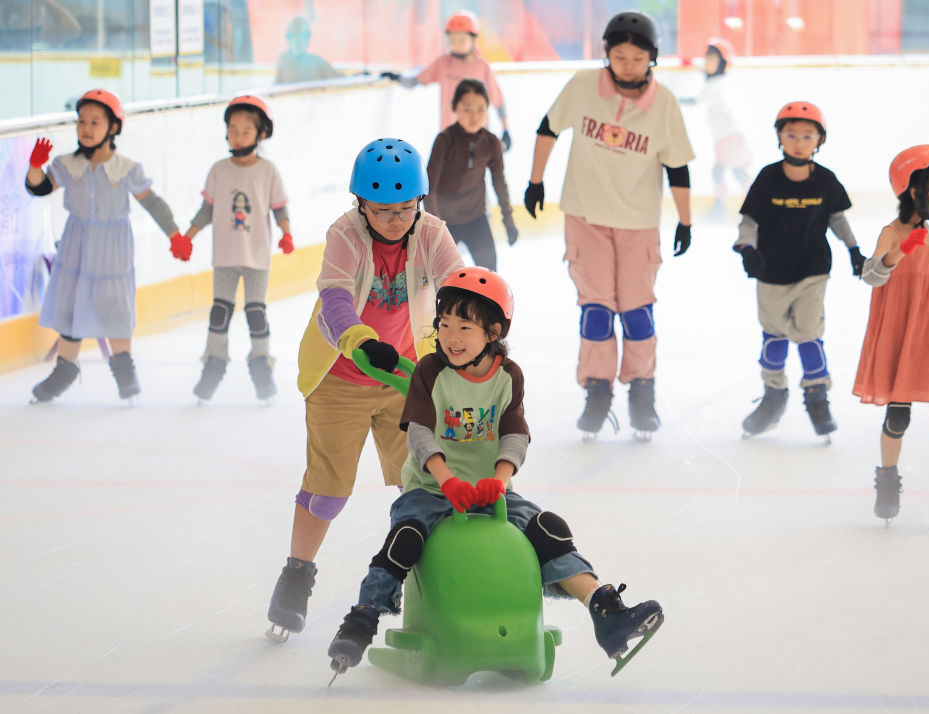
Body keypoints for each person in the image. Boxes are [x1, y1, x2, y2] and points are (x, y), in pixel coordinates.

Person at [326, 266, 664, 678]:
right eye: (444, 324)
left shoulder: (508, 376)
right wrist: (446, 480)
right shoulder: (430, 371)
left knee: (548, 528)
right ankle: (362, 619)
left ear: (493, 332)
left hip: (490, 491)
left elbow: (514, 434)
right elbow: (418, 434)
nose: (451, 336)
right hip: (430, 490)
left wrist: (499, 481)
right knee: (406, 537)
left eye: (464, 327)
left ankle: (605, 611)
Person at [265, 138, 464, 642]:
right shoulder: (346, 235)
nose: (396, 220)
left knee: (420, 487)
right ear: (360, 203)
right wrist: (360, 340)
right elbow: (335, 300)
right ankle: (296, 575)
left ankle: (437, 588)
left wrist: (477, 324)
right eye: (382, 211)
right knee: (329, 491)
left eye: (406, 208)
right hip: (341, 377)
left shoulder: (431, 232)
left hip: (405, 378)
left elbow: (457, 284)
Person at [523, 10, 695, 442]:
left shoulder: (664, 103)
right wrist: (535, 181)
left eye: (638, 59)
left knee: (637, 312)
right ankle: (597, 391)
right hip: (586, 218)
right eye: (620, 57)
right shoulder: (584, 86)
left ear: (652, 58)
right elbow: (548, 127)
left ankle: (642, 391)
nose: (628, 66)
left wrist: (686, 221)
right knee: (596, 311)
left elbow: (677, 166)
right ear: (607, 55)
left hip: (638, 224)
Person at [25, 89, 186, 403]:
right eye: (81, 121)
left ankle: (124, 368)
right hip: (77, 242)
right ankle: (66, 368)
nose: (86, 128)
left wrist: (175, 235)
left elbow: (152, 203)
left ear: (113, 127)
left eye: (95, 122)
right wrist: (34, 167)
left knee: (114, 304)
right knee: (70, 303)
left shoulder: (126, 168)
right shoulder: (66, 164)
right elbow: (40, 187)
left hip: (113, 246)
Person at [853, 145, 929, 528]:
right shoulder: (891, 233)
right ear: (915, 191)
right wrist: (899, 252)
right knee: (898, 414)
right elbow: (871, 275)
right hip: (902, 331)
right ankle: (887, 485)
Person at [734, 101, 866, 439]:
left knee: (809, 333)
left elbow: (837, 219)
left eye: (807, 135)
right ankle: (774, 396)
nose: (798, 142)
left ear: (820, 140)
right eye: (791, 134)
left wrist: (853, 250)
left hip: (812, 270)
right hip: (771, 272)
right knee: (775, 337)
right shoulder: (768, 178)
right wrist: (747, 248)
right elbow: (749, 221)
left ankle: (817, 397)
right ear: (779, 137)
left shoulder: (825, 180)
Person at [171, 95, 293, 402]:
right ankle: (214, 363)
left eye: (245, 130)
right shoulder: (219, 170)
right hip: (225, 256)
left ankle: (261, 364)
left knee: (256, 312)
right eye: (233, 129)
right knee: (219, 312)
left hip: (256, 256)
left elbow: (279, 208)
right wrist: (187, 236)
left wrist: (287, 233)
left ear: (261, 134)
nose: (237, 136)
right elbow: (207, 210)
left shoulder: (268, 171)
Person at [380, 10, 511, 151]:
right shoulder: (443, 63)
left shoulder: (482, 66)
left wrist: (505, 130)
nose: (456, 44)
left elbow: (498, 100)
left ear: (473, 39)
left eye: (461, 40)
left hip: (478, 135)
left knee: (479, 163)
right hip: (451, 137)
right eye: (452, 40)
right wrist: (397, 78)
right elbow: (415, 81)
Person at [425, 79, 517, 271]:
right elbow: (429, 187)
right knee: (438, 276)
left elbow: (499, 183)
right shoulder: (445, 140)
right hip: (445, 222)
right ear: (455, 108)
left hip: (476, 218)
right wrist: (436, 228)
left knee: (490, 273)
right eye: (467, 109)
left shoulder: (491, 143)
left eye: (480, 109)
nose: (474, 116)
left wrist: (509, 221)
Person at [678, 37, 751, 221]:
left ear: (722, 64)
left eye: (712, 59)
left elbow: (696, 100)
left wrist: (673, 99)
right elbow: (704, 69)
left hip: (729, 137)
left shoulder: (716, 84)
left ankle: (728, 206)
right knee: (729, 172)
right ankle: (723, 206)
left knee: (731, 172)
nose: (707, 63)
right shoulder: (716, 81)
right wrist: (691, 63)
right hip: (725, 137)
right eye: (707, 58)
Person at [275, 16, 348, 84]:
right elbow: (275, 89)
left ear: (308, 38)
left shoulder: (316, 62)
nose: (299, 39)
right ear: (289, 38)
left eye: (303, 35)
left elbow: (340, 79)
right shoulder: (284, 64)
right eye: (295, 35)